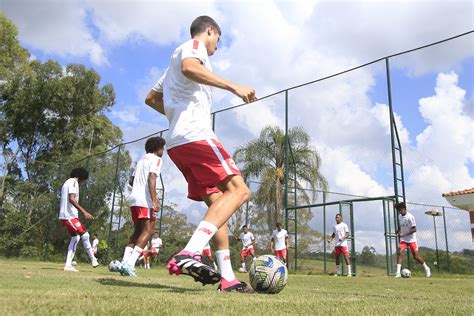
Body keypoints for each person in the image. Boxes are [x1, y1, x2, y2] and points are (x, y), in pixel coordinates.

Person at [145, 15, 257, 292]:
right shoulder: (193, 48)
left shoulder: (170, 67)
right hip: (196, 136)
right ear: (210, 31)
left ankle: (228, 279)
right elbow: (189, 68)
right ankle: (190, 252)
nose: (217, 45)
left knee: (218, 205)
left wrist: (175, 116)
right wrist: (234, 87)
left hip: (178, 142)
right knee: (239, 191)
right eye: (218, 39)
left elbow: (151, 98)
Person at [117, 136, 165, 277]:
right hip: (145, 201)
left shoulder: (141, 160)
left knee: (137, 231)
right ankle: (129, 264)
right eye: (162, 148)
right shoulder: (156, 159)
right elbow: (152, 178)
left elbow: (131, 180)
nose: (163, 151)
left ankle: (123, 262)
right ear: (157, 148)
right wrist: (154, 200)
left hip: (133, 199)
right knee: (148, 231)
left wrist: (138, 188)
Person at [58, 167, 99, 272]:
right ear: (81, 177)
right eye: (83, 180)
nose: (82, 182)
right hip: (69, 216)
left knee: (75, 238)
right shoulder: (73, 182)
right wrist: (84, 212)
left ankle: (68, 265)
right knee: (85, 234)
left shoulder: (66, 182)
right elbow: (71, 199)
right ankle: (93, 259)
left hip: (67, 215)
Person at [395, 202, 431, 278]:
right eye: (399, 211)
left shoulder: (410, 217)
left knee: (416, 256)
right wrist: (398, 231)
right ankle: (398, 273)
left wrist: (403, 234)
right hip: (403, 240)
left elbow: (414, 229)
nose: (400, 212)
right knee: (400, 252)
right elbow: (401, 226)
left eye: (401, 210)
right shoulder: (399, 217)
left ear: (405, 209)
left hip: (412, 240)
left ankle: (427, 268)